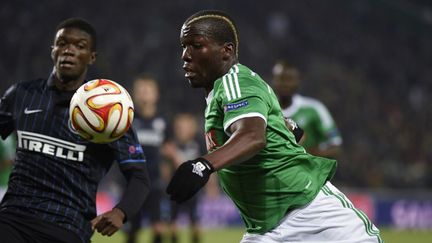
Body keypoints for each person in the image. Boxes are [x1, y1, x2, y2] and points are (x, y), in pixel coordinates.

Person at [166, 10, 382, 243]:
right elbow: (283, 132)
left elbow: (252, 135)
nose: (185, 55)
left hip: (316, 219)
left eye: (196, 45)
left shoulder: (235, 80)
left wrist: (203, 166)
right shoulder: (223, 91)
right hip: (266, 228)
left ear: (226, 51)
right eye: (184, 46)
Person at [0, 18, 150, 243]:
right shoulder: (22, 95)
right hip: (13, 218)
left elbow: (139, 176)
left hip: (68, 226)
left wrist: (121, 212)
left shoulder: (109, 112)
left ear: (92, 57)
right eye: (62, 43)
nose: (69, 50)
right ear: (53, 50)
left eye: (79, 46)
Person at [126, 74, 168, 243]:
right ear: (135, 94)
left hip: (155, 182)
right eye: (140, 91)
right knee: (132, 229)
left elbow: (168, 148)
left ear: (155, 94)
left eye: (147, 90)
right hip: (132, 182)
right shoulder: (128, 119)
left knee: (158, 227)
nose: (144, 94)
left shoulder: (163, 121)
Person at [272, 60, 342, 158]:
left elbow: (336, 147)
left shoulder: (314, 109)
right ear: (273, 80)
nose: (285, 84)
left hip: (306, 171)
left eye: (289, 79)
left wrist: (310, 155)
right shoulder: (265, 110)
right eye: (281, 79)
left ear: (298, 81)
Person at [162, 113, 204, 243]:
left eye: (184, 128)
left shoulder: (198, 145)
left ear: (192, 129)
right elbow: (165, 169)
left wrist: (174, 154)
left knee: (195, 222)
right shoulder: (171, 145)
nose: (181, 131)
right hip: (176, 189)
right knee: (173, 223)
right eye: (179, 128)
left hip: (193, 190)